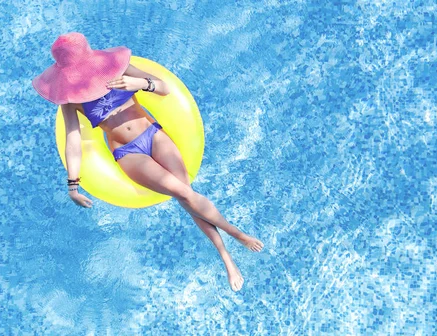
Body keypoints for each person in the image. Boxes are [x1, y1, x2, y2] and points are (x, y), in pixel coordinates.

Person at [32, 32, 264, 291]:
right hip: (129, 153)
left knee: (187, 195)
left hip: (153, 134)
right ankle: (236, 235)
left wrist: (139, 83)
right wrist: (72, 185)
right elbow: (72, 141)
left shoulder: (115, 67)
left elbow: (164, 88)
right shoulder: (72, 98)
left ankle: (226, 257)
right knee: (183, 192)